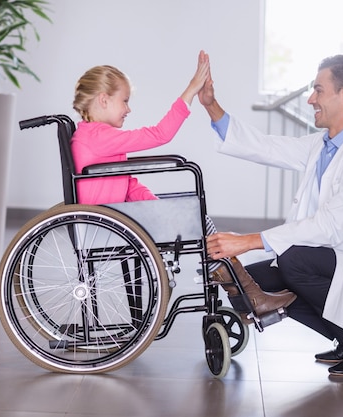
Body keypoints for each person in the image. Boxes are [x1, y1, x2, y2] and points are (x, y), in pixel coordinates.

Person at [198, 53, 343, 375]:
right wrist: (211, 105)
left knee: (293, 260)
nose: (311, 99)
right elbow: (265, 146)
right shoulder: (321, 145)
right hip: (334, 257)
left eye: (318, 90)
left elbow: (330, 225)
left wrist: (246, 241)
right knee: (250, 284)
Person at [70, 51, 296, 320]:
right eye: (125, 101)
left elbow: (127, 181)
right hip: (108, 222)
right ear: (104, 99)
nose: (129, 109)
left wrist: (160, 210)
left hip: (114, 216)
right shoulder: (98, 136)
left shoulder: (93, 136)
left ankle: (241, 289)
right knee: (199, 218)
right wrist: (190, 90)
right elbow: (160, 134)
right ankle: (245, 291)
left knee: (196, 217)